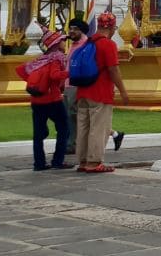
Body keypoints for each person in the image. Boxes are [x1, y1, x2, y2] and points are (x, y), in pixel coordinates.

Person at [73, 14, 129, 173]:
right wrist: (123, 91)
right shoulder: (108, 45)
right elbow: (113, 69)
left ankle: (83, 161)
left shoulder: (87, 43)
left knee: (84, 128)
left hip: (83, 92)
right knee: (99, 128)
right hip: (100, 92)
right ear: (112, 27)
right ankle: (94, 162)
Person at [16, 30, 71, 171]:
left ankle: (39, 163)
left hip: (36, 100)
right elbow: (54, 75)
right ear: (57, 44)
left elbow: (22, 71)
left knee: (38, 134)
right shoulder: (57, 57)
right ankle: (58, 161)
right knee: (64, 129)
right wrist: (71, 72)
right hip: (52, 99)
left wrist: (39, 86)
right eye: (63, 40)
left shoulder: (40, 59)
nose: (65, 43)